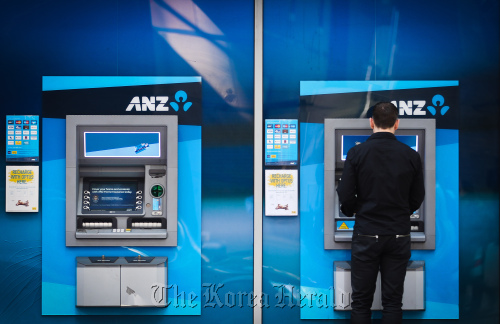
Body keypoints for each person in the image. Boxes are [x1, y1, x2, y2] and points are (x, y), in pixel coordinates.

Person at [336, 102, 425, 324]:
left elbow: (345, 193)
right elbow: (418, 196)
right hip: (399, 235)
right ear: (397, 123)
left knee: (361, 301)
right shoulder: (411, 155)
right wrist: (402, 212)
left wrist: (355, 210)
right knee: (393, 302)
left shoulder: (356, 153)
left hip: (367, 234)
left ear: (371, 122)